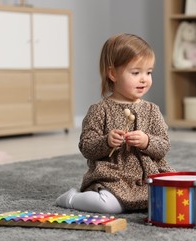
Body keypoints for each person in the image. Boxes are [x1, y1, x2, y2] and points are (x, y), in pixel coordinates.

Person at [56, 33, 175, 214]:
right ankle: (72, 198)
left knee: (176, 196)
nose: (144, 79)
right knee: (109, 206)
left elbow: (164, 145)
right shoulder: (99, 110)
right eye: (136, 73)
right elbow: (86, 146)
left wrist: (147, 141)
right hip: (114, 178)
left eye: (148, 72)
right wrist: (106, 141)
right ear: (112, 74)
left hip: (150, 177)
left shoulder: (153, 110)